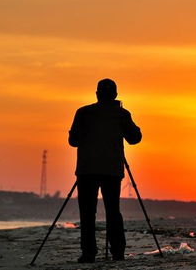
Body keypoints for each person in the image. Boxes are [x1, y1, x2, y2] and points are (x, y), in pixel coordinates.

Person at [68, 79, 142, 262]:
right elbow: (135, 138)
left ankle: (88, 253)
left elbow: (73, 141)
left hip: (87, 170)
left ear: (97, 94)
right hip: (112, 171)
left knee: (87, 213)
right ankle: (118, 252)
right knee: (113, 211)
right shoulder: (122, 114)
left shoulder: (83, 112)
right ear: (115, 95)